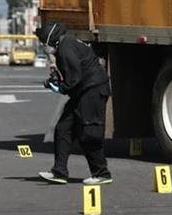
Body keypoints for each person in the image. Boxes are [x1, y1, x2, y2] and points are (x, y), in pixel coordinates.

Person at [35, 21, 113, 185]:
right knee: (63, 128)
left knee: (89, 132)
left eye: (44, 42)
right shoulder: (65, 45)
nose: (44, 46)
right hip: (83, 91)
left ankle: (102, 174)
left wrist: (59, 87)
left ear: (51, 39)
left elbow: (74, 78)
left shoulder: (65, 49)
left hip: (92, 91)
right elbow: (73, 76)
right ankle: (59, 172)